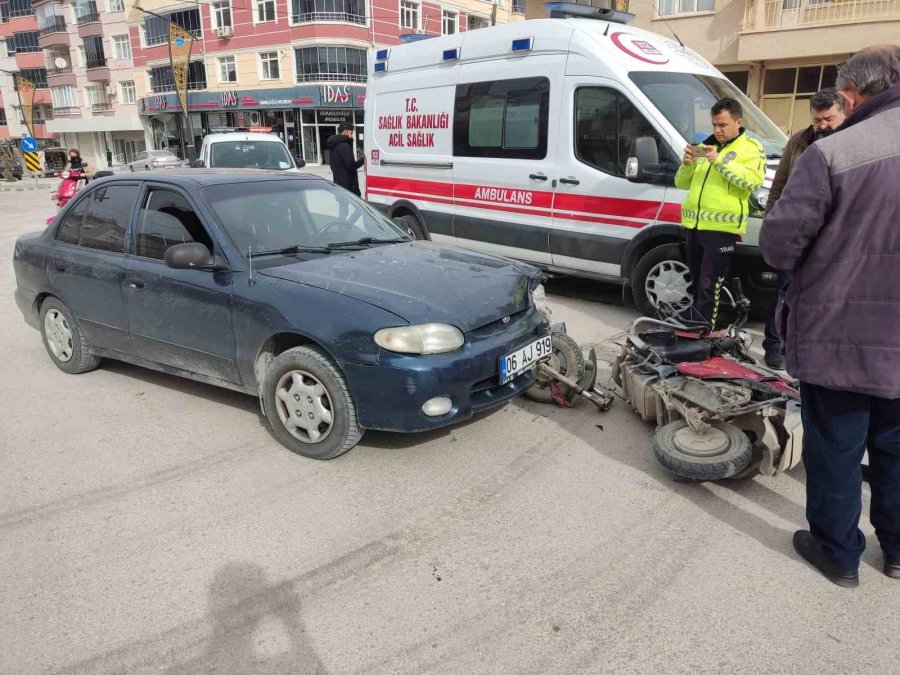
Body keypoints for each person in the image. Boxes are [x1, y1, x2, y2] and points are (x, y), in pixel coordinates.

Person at [760, 44, 900, 588]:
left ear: (850, 95)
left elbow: (778, 243)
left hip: (840, 331)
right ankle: (896, 552)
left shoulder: (834, 153)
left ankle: (839, 554)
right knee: (895, 448)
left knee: (837, 447)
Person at [761, 88, 845, 369]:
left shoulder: (850, 141)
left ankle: (812, 352)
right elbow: (780, 182)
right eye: (817, 120)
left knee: (822, 298)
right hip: (795, 232)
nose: (822, 126)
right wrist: (770, 219)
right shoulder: (799, 141)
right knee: (784, 293)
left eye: (828, 119)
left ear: (842, 112)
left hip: (831, 237)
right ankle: (775, 347)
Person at [675, 98, 766, 327]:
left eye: (723, 125)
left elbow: (752, 182)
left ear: (738, 122)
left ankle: (704, 326)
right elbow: (681, 183)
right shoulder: (705, 146)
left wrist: (720, 162)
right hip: (694, 225)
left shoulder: (751, 149)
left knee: (710, 281)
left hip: (721, 228)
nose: (717, 130)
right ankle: (694, 319)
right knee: (696, 277)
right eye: (714, 124)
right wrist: (687, 164)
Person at [326, 122, 364, 197]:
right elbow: (351, 166)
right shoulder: (344, 146)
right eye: (351, 132)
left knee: (343, 206)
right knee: (358, 206)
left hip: (338, 182)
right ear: (345, 131)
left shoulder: (334, 144)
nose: (352, 135)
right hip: (348, 185)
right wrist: (363, 160)